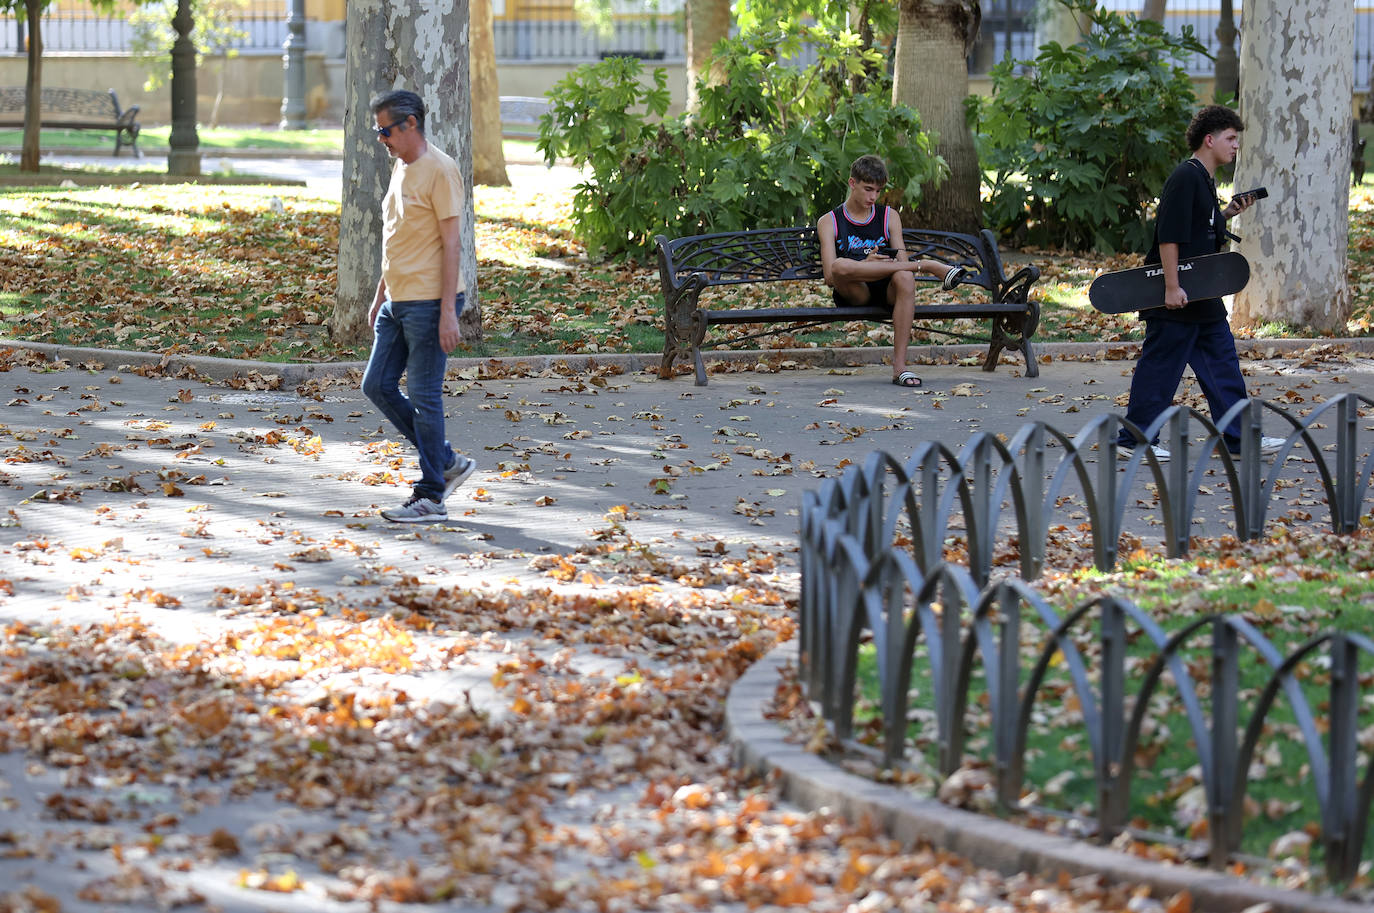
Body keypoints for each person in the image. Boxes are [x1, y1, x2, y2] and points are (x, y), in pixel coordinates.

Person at [1115, 104, 1283, 462]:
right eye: (1230, 138)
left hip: (1202, 296)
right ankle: (1133, 442)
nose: (1236, 145)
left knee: (1223, 368)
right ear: (1210, 139)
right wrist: (1171, 287)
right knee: (1160, 370)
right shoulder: (1185, 177)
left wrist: (1226, 214)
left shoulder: (1205, 180)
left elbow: (1199, 231)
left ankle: (1239, 439)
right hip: (1176, 296)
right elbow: (1169, 236)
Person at [361, 89, 476, 522]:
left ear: (410, 124)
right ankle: (446, 461)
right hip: (398, 299)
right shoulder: (400, 167)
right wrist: (379, 294)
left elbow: (451, 244)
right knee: (377, 386)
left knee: (426, 398)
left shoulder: (441, 171)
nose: (381, 139)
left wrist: (449, 311)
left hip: (430, 302)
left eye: (385, 130)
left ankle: (431, 495)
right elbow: (397, 238)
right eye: (378, 131)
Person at [818, 154, 967, 388]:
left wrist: (883, 266)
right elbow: (829, 276)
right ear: (852, 183)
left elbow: (902, 262)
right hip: (855, 291)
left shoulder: (889, 216)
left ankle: (900, 369)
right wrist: (866, 265)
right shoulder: (830, 221)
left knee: (906, 275)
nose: (873, 197)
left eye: (878, 191)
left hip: (887, 288)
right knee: (840, 266)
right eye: (868, 189)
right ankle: (929, 265)